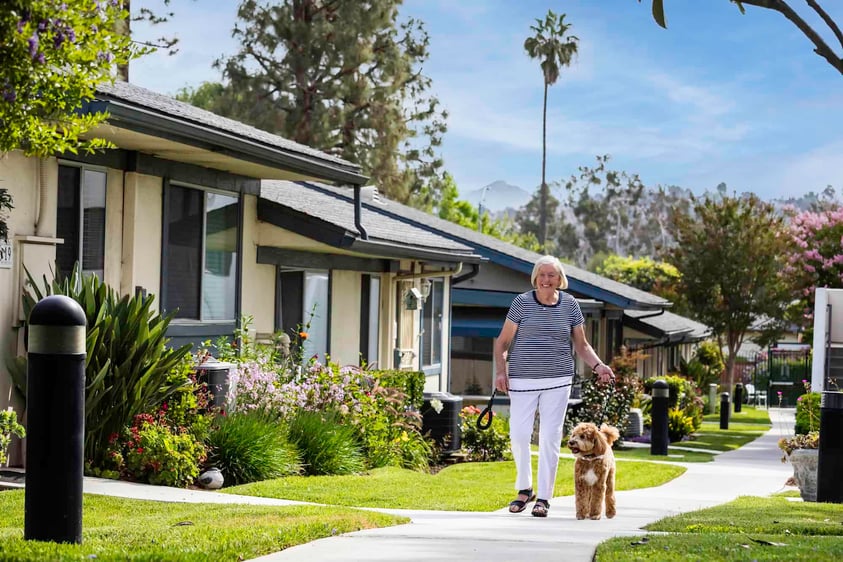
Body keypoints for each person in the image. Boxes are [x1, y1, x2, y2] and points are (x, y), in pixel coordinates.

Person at [494, 255, 614, 517]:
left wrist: (599, 366)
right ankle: (525, 489)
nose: (546, 280)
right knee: (519, 435)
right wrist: (501, 372)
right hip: (522, 379)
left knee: (549, 437)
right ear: (535, 277)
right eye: (542, 275)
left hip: (558, 379)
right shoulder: (522, 303)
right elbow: (502, 342)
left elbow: (581, 345)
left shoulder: (570, 305)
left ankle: (544, 498)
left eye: (552, 275)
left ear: (560, 279)